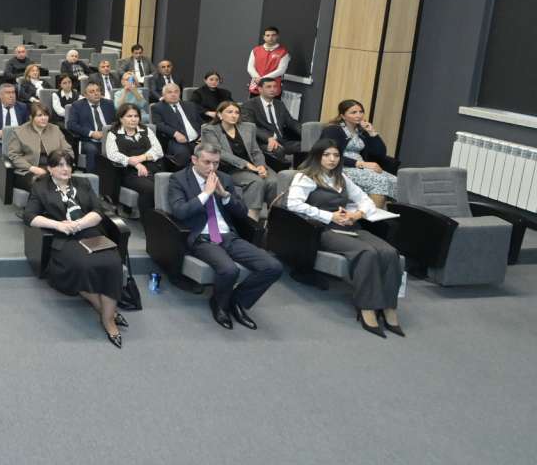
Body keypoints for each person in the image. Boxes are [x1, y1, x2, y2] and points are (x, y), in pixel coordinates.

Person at [286, 140, 404, 337]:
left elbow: (365, 200)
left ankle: (389, 307)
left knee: (389, 252)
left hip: (350, 225)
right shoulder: (305, 177)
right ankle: (366, 307)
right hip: (324, 229)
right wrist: (328, 216)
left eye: (336, 155)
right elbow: (293, 204)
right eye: (326, 155)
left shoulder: (341, 177)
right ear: (317, 156)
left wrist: (357, 214)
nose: (332, 159)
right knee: (366, 253)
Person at [168, 144, 283, 330]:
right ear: (194, 160)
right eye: (207, 162)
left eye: (216, 163)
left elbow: (242, 212)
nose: (212, 168)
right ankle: (219, 304)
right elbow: (180, 212)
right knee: (229, 270)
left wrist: (225, 195)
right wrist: (206, 194)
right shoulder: (179, 179)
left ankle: (237, 301)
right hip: (202, 237)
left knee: (273, 266)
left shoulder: (224, 178)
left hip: (227, 235)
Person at [24, 152, 127, 347]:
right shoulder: (41, 187)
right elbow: (29, 216)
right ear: (50, 168)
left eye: (69, 165)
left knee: (113, 263)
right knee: (83, 265)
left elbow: (98, 211)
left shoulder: (82, 183)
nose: (66, 169)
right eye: (60, 165)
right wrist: (58, 225)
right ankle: (108, 318)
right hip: (63, 238)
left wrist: (79, 224)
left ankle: (107, 316)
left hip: (89, 232)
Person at [200, 101, 277, 221]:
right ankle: (251, 220)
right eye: (229, 112)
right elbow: (219, 152)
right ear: (219, 115)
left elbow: (255, 151)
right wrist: (246, 164)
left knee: (273, 181)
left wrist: (261, 165)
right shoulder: (210, 130)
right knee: (256, 181)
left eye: (236, 112)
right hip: (230, 168)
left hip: (253, 165)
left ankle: (274, 219)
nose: (234, 115)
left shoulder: (248, 127)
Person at [320, 100, 398, 208]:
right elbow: (327, 154)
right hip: (340, 167)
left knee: (395, 180)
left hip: (361, 166)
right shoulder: (333, 130)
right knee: (380, 180)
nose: (359, 115)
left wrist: (372, 132)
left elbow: (380, 154)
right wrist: (361, 164)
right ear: (343, 116)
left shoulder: (361, 131)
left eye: (361, 112)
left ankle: (384, 213)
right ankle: (372, 216)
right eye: (353, 112)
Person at [104, 103, 164, 213]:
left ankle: (162, 216)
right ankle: (148, 219)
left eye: (136, 116)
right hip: (129, 172)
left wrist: (141, 158)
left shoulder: (146, 130)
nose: (133, 119)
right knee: (150, 188)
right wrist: (135, 163)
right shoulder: (113, 133)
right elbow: (112, 154)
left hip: (152, 168)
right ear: (121, 118)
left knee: (166, 185)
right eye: (129, 116)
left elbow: (159, 151)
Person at [6, 103, 72, 191]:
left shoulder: (55, 129)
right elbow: (13, 155)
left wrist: (60, 165)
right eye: (39, 115)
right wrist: (32, 168)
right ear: (31, 117)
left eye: (46, 115)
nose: (44, 118)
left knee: (69, 183)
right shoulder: (19, 132)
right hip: (28, 170)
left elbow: (68, 150)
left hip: (53, 168)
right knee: (41, 184)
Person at [242, 77, 301, 171]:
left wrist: (305, 133)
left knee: (304, 145)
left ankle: (299, 172)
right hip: (263, 142)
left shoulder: (279, 104)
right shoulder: (249, 105)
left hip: (282, 140)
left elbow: (291, 122)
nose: (272, 89)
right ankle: (280, 174)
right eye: (269, 87)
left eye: (274, 86)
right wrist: (268, 138)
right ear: (260, 89)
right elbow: (251, 126)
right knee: (277, 150)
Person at [151, 83, 204, 169]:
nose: (173, 94)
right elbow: (159, 124)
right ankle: (185, 172)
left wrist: (202, 134)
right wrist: (175, 133)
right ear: (163, 95)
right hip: (174, 140)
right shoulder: (157, 107)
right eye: (170, 92)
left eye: (176, 92)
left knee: (209, 151)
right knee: (183, 153)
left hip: (197, 140)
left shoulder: (190, 105)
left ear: (180, 93)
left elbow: (200, 122)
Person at [66, 82, 115, 169]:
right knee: (92, 149)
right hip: (88, 140)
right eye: (92, 92)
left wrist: (107, 132)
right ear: (85, 95)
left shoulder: (109, 104)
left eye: (98, 90)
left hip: (109, 138)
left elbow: (117, 121)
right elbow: (71, 124)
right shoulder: (77, 106)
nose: (96, 93)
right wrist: (91, 133)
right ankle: (91, 176)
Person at [0, 83, 30, 155]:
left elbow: (27, 125)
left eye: (13, 92)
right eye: (8, 93)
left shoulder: (22, 107)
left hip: (20, 143)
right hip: (1, 143)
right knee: (10, 154)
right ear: (0, 95)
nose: (11, 95)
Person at [246, 26, 290, 96]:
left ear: (277, 36)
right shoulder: (255, 50)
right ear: (264, 37)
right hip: (256, 86)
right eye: (268, 35)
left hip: (273, 88)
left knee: (272, 103)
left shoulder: (283, 52)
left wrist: (263, 79)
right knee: (253, 103)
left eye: (273, 35)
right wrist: (258, 78)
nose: (270, 38)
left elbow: (281, 70)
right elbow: (250, 67)